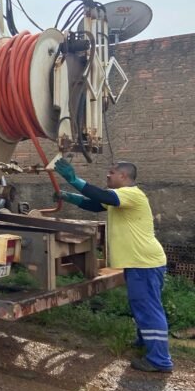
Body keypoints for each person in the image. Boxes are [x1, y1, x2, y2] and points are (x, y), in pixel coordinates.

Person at [54, 158, 174, 373]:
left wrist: (73, 179)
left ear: (124, 176)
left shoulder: (131, 194)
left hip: (144, 263)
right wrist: (68, 197)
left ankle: (160, 360)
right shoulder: (120, 199)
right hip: (139, 263)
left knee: (148, 308)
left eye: (111, 172)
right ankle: (146, 343)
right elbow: (94, 204)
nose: (107, 175)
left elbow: (101, 196)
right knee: (143, 306)